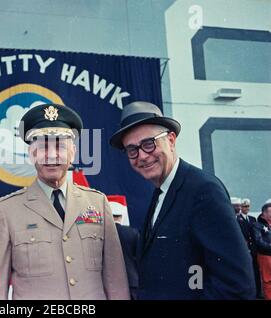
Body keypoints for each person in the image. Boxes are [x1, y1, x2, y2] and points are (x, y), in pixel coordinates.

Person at [0, 103, 130, 300]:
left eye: (60, 146)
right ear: (31, 154)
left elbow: (116, 283)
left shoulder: (98, 203)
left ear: (73, 152)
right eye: (42, 147)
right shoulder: (5, 211)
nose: (51, 155)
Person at [109, 101, 255, 299]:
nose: (142, 156)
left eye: (149, 144)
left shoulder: (203, 191)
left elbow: (236, 284)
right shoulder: (161, 193)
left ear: (171, 140)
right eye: (132, 150)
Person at [109, 196, 140, 299]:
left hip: (112, 284)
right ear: (121, 216)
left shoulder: (103, 234)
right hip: (132, 281)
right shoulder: (133, 233)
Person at [237, 198, 261, 297]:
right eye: (244, 206)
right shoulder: (238, 219)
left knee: (256, 270)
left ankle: (258, 292)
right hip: (245, 248)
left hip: (253, 249)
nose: (246, 208)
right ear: (241, 208)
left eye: (248, 206)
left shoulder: (252, 219)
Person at [252, 203, 271, 299]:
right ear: (264, 213)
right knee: (268, 280)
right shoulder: (257, 225)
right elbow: (258, 241)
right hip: (265, 256)